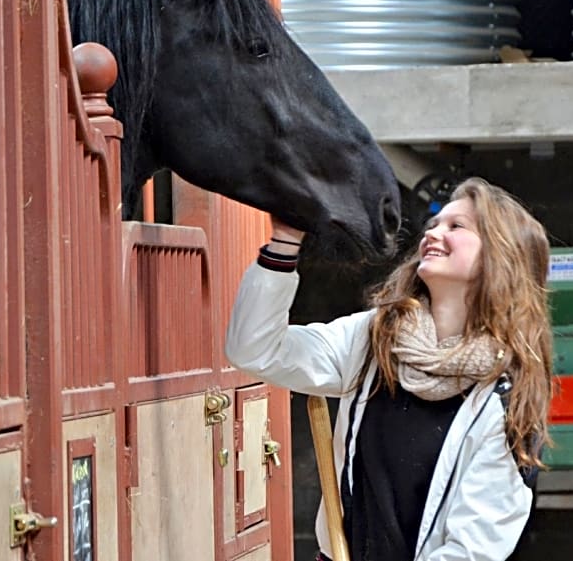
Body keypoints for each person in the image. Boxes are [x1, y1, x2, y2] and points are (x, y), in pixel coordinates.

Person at [225, 177, 554, 561]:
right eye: (434, 224)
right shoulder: (373, 338)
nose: (433, 233)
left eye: (456, 226)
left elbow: (471, 550)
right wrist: (283, 243)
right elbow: (256, 349)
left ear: (500, 256)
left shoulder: (503, 399)